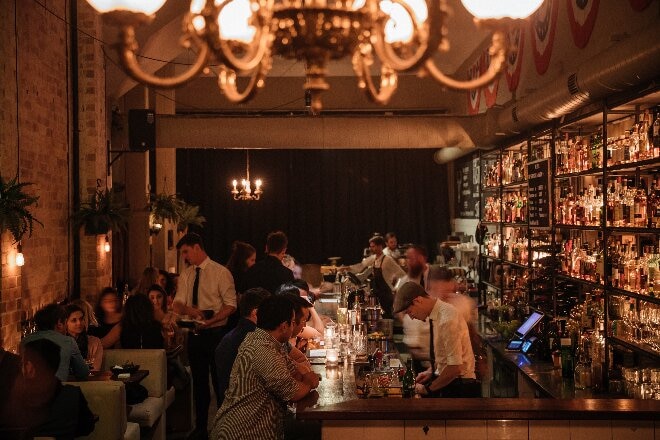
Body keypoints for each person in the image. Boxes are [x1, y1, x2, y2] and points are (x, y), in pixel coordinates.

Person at [211, 295, 318, 440]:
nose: (295, 327)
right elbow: (293, 392)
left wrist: (303, 379)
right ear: (284, 326)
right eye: (293, 322)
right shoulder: (262, 349)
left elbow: (296, 373)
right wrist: (310, 381)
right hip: (242, 432)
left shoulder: (269, 342)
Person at [174, 233, 237, 439]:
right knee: (199, 384)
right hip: (195, 334)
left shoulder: (220, 272)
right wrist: (193, 313)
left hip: (216, 334)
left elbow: (230, 305)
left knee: (220, 383)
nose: (184, 257)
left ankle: (223, 427)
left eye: (186, 252)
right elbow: (177, 304)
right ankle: (200, 427)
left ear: (197, 248)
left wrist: (210, 320)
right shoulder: (187, 274)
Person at [393, 282, 479, 398]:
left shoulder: (447, 318)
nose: (411, 317)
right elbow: (446, 357)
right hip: (451, 382)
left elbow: (455, 367)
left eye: (409, 312)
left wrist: (427, 389)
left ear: (418, 300)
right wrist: (431, 371)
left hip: (459, 386)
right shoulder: (438, 315)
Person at [6, 339, 96, 439]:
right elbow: (87, 427)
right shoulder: (73, 395)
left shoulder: (13, 400)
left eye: (23, 363)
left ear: (30, 368)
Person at [214, 287, 271, 408]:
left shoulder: (230, 336)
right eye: (270, 311)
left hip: (227, 410)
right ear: (255, 313)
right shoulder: (254, 338)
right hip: (247, 413)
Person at [21, 303, 89, 381]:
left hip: (29, 390)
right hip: (57, 390)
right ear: (59, 323)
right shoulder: (68, 341)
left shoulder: (25, 341)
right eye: (65, 322)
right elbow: (83, 373)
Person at [343, 235, 405, 318]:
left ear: (380, 246)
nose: (371, 248)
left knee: (387, 318)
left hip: (386, 295)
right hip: (378, 295)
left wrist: (396, 289)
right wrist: (347, 268)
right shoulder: (374, 258)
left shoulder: (388, 260)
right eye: (370, 246)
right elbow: (361, 266)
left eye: (373, 246)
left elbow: (402, 275)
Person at [64, 303, 103, 371]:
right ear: (65, 323)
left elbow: (95, 369)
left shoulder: (94, 342)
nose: (79, 323)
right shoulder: (59, 342)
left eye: (81, 319)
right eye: (74, 320)